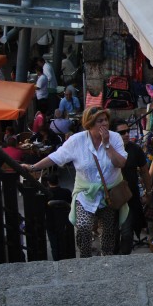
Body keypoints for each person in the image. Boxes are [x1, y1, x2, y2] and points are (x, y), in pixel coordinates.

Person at [22, 106, 128, 258]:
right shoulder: (77, 141)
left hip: (110, 193)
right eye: (100, 121)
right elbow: (56, 157)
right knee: (84, 227)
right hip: (86, 194)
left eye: (106, 120)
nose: (104, 124)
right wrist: (33, 167)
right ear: (90, 124)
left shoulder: (115, 138)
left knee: (108, 234)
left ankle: (107, 262)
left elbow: (121, 163)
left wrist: (107, 145)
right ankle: (85, 260)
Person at [115, 122, 151, 254]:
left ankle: (124, 259)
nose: (126, 134)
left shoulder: (135, 149)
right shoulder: (107, 149)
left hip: (130, 197)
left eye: (127, 131)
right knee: (112, 234)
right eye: (122, 132)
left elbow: (144, 171)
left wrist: (148, 192)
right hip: (111, 197)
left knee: (127, 233)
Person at [42, 172, 73, 261]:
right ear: (58, 181)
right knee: (66, 241)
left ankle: (57, 259)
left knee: (54, 244)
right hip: (65, 221)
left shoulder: (45, 194)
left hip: (50, 221)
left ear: (48, 182)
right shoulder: (66, 192)